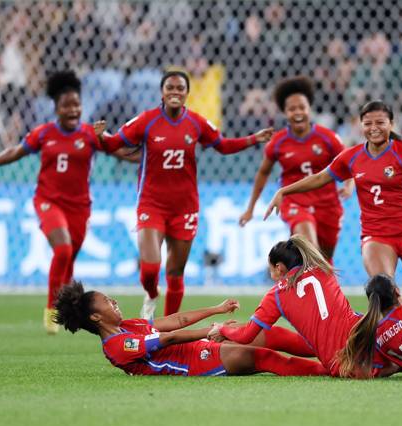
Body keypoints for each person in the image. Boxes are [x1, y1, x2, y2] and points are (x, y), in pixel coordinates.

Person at [264, 100, 402, 327]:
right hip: (376, 236)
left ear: (391, 124)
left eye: (380, 122)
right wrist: (285, 190)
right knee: (386, 295)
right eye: (367, 123)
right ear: (360, 125)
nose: (374, 127)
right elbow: (320, 178)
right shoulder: (352, 157)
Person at [0, 71, 138, 334]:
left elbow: (120, 151)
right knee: (63, 251)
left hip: (79, 207)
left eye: (77, 105)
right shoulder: (44, 133)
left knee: (68, 261)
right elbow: (16, 152)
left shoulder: (91, 134)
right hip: (48, 202)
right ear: (55, 107)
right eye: (67, 105)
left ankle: (66, 312)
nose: (73, 110)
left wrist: (150, 155)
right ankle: (51, 310)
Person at [95, 68, 273, 319]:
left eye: (180, 88)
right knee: (149, 268)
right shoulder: (146, 121)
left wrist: (253, 138)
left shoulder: (196, 123)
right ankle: (152, 292)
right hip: (152, 204)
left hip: (185, 207)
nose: (175, 92)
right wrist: (101, 136)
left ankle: (167, 326)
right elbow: (115, 144)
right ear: (162, 92)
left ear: (187, 93)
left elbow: (222, 146)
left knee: (176, 272)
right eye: (170, 88)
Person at [53, 281, 326, 377]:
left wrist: (216, 310)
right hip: (196, 363)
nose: (114, 302)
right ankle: (331, 369)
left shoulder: (128, 326)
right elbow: (168, 338)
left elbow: (176, 321)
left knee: (266, 335)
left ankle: (329, 349)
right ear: (96, 318)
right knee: (261, 357)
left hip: (200, 347)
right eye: (107, 302)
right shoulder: (116, 347)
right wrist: (213, 330)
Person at [208, 235, 383, 377]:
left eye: (270, 269)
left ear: (278, 267)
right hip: (369, 340)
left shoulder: (276, 295)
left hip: (342, 365)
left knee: (281, 336)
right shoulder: (323, 269)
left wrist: (223, 329)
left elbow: (247, 335)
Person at [238, 76, 352, 260]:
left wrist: (348, 185)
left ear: (309, 109)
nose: (297, 112)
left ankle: (324, 286)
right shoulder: (277, 142)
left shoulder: (328, 138)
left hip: (328, 204)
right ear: (285, 112)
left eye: (302, 107)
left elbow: (348, 164)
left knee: (325, 261)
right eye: (292, 109)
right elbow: (263, 173)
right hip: (295, 203)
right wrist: (250, 208)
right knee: (310, 250)